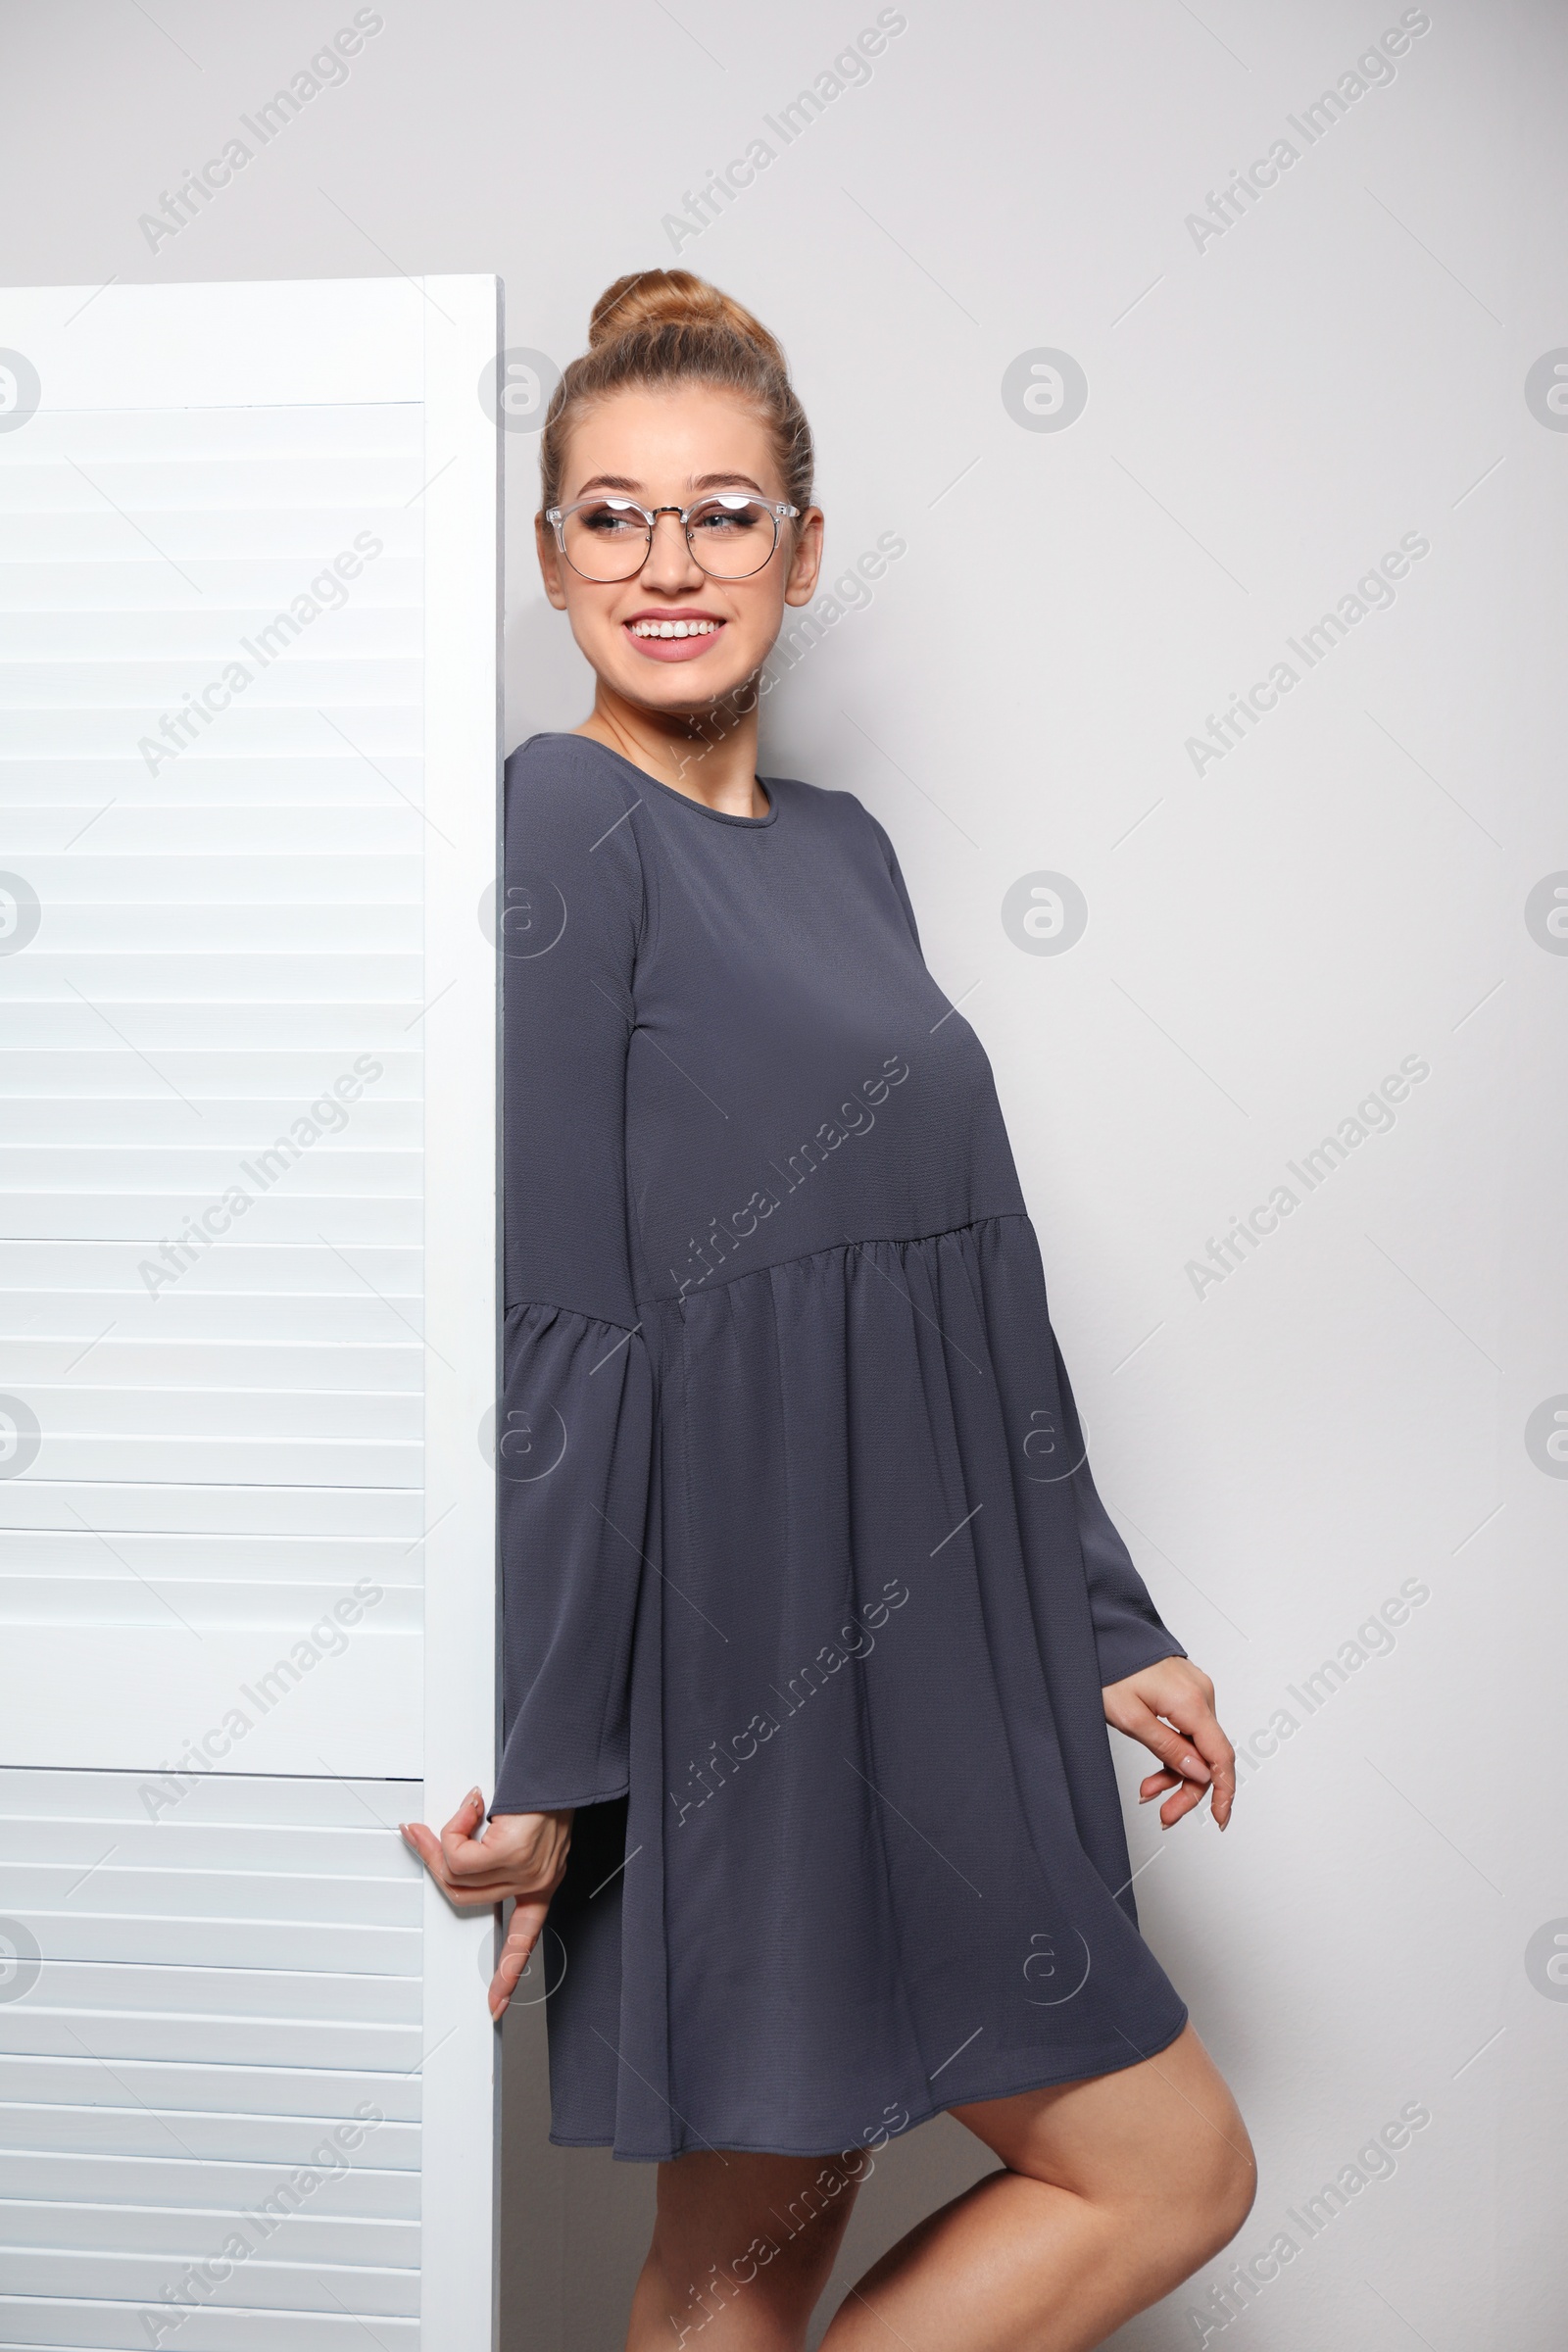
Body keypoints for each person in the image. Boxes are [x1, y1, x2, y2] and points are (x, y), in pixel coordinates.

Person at [403, 269, 1254, 2350]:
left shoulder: (849, 851)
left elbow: (976, 1272)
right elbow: (562, 1319)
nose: (665, 563)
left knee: (1155, 2178)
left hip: (944, 1632)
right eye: (610, 515)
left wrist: (1095, 1613)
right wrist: (545, 1759)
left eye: (717, 510)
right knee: (732, 2272)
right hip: (736, 1662)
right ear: (545, 559)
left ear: (800, 542)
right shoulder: (557, 821)